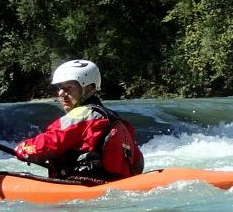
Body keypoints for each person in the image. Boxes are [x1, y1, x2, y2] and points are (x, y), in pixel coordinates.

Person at [13, 59, 144, 182]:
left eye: (68, 88)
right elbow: (138, 163)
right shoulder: (117, 120)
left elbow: (50, 142)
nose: (61, 93)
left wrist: (24, 149)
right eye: (60, 88)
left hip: (85, 187)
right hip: (114, 185)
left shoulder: (81, 115)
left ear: (88, 89)